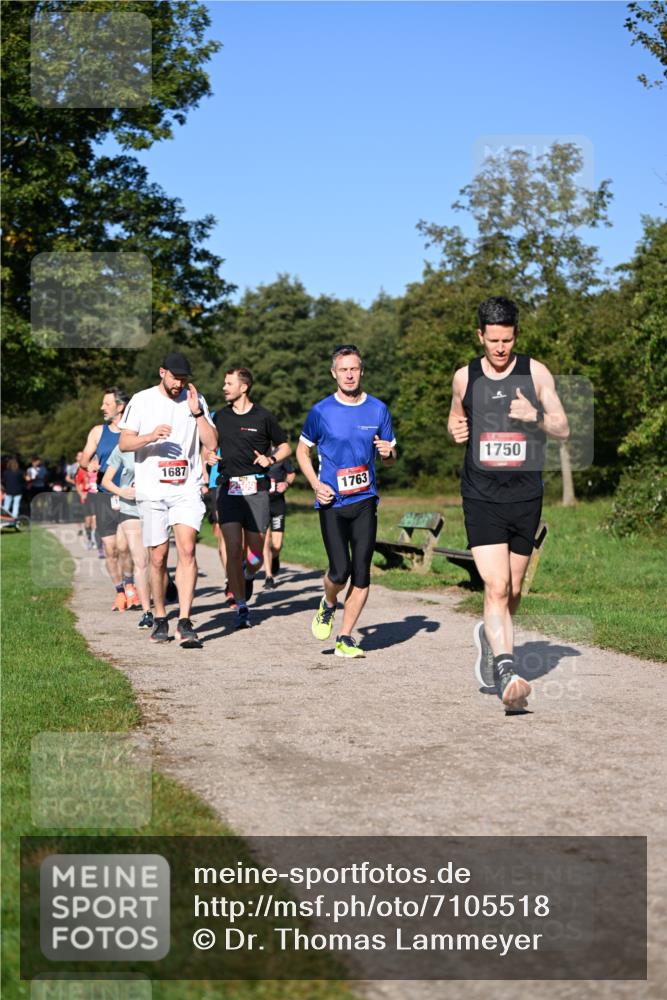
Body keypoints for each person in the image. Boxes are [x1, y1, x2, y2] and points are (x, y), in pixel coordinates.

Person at [448, 296, 569, 710]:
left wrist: (534, 415)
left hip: (525, 495)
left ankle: (490, 634)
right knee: (496, 586)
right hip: (481, 494)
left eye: (508, 340)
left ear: (516, 335)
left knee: (513, 590)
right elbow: (455, 416)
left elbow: (563, 427)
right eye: (494, 340)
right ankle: (506, 670)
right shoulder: (464, 377)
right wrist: (455, 429)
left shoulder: (535, 372)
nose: (501, 348)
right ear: (480, 335)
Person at [296, 344, 396, 659]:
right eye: (343, 370)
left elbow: (390, 456)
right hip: (332, 502)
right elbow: (302, 451)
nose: (349, 375)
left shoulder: (378, 409)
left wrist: (389, 453)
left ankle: (345, 637)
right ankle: (328, 602)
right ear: (334, 373)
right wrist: (316, 485)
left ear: (361, 371)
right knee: (340, 572)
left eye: (354, 369)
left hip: (365, 499)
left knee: (362, 572)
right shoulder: (321, 411)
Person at [118, 350, 217, 648]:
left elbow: (212, 442)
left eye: (183, 379)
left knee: (187, 550)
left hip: (186, 488)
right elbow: (125, 443)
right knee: (158, 557)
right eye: (175, 378)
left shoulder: (195, 400)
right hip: (152, 491)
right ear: (162, 373)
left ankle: (185, 621)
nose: (179, 384)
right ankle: (161, 616)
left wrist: (197, 413)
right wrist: (150, 436)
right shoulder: (142, 400)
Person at [213, 367, 291, 629]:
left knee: (255, 556)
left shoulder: (263, 417)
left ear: (243, 387)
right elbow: (208, 445)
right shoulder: (220, 417)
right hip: (228, 490)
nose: (224, 388)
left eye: (229, 383)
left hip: (256, 490)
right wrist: (208, 456)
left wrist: (271, 459)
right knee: (233, 548)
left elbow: (285, 446)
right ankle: (241, 605)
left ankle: (247, 575)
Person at [80, 388, 134, 610]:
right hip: (105, 497)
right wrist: (89, 464)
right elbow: (84, 459)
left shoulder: (134, 431)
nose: (102, 407)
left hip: (129, 496)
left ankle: (130, 586)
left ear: (120, 407)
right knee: (110, 549)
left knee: (124, 546)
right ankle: (120, 592)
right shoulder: (97, 432)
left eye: (107, 403)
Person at [101, 447, 153, 629]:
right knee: (133, 556)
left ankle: (158, 597)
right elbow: (104, 478)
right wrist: (122, 492)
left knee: (156, 560)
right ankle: (142, 606)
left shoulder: (162, 440)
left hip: (156, 505)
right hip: (124, 505)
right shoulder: (120, 444)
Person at [262, 450, 296, 588]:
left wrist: (286, 483)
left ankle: (275, 557)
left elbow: (291, 473)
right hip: (261, 503)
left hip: (277, 504)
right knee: (265, 541)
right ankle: (268, 576)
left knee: (277, 545)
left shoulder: (281, 454)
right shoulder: (257, 452)